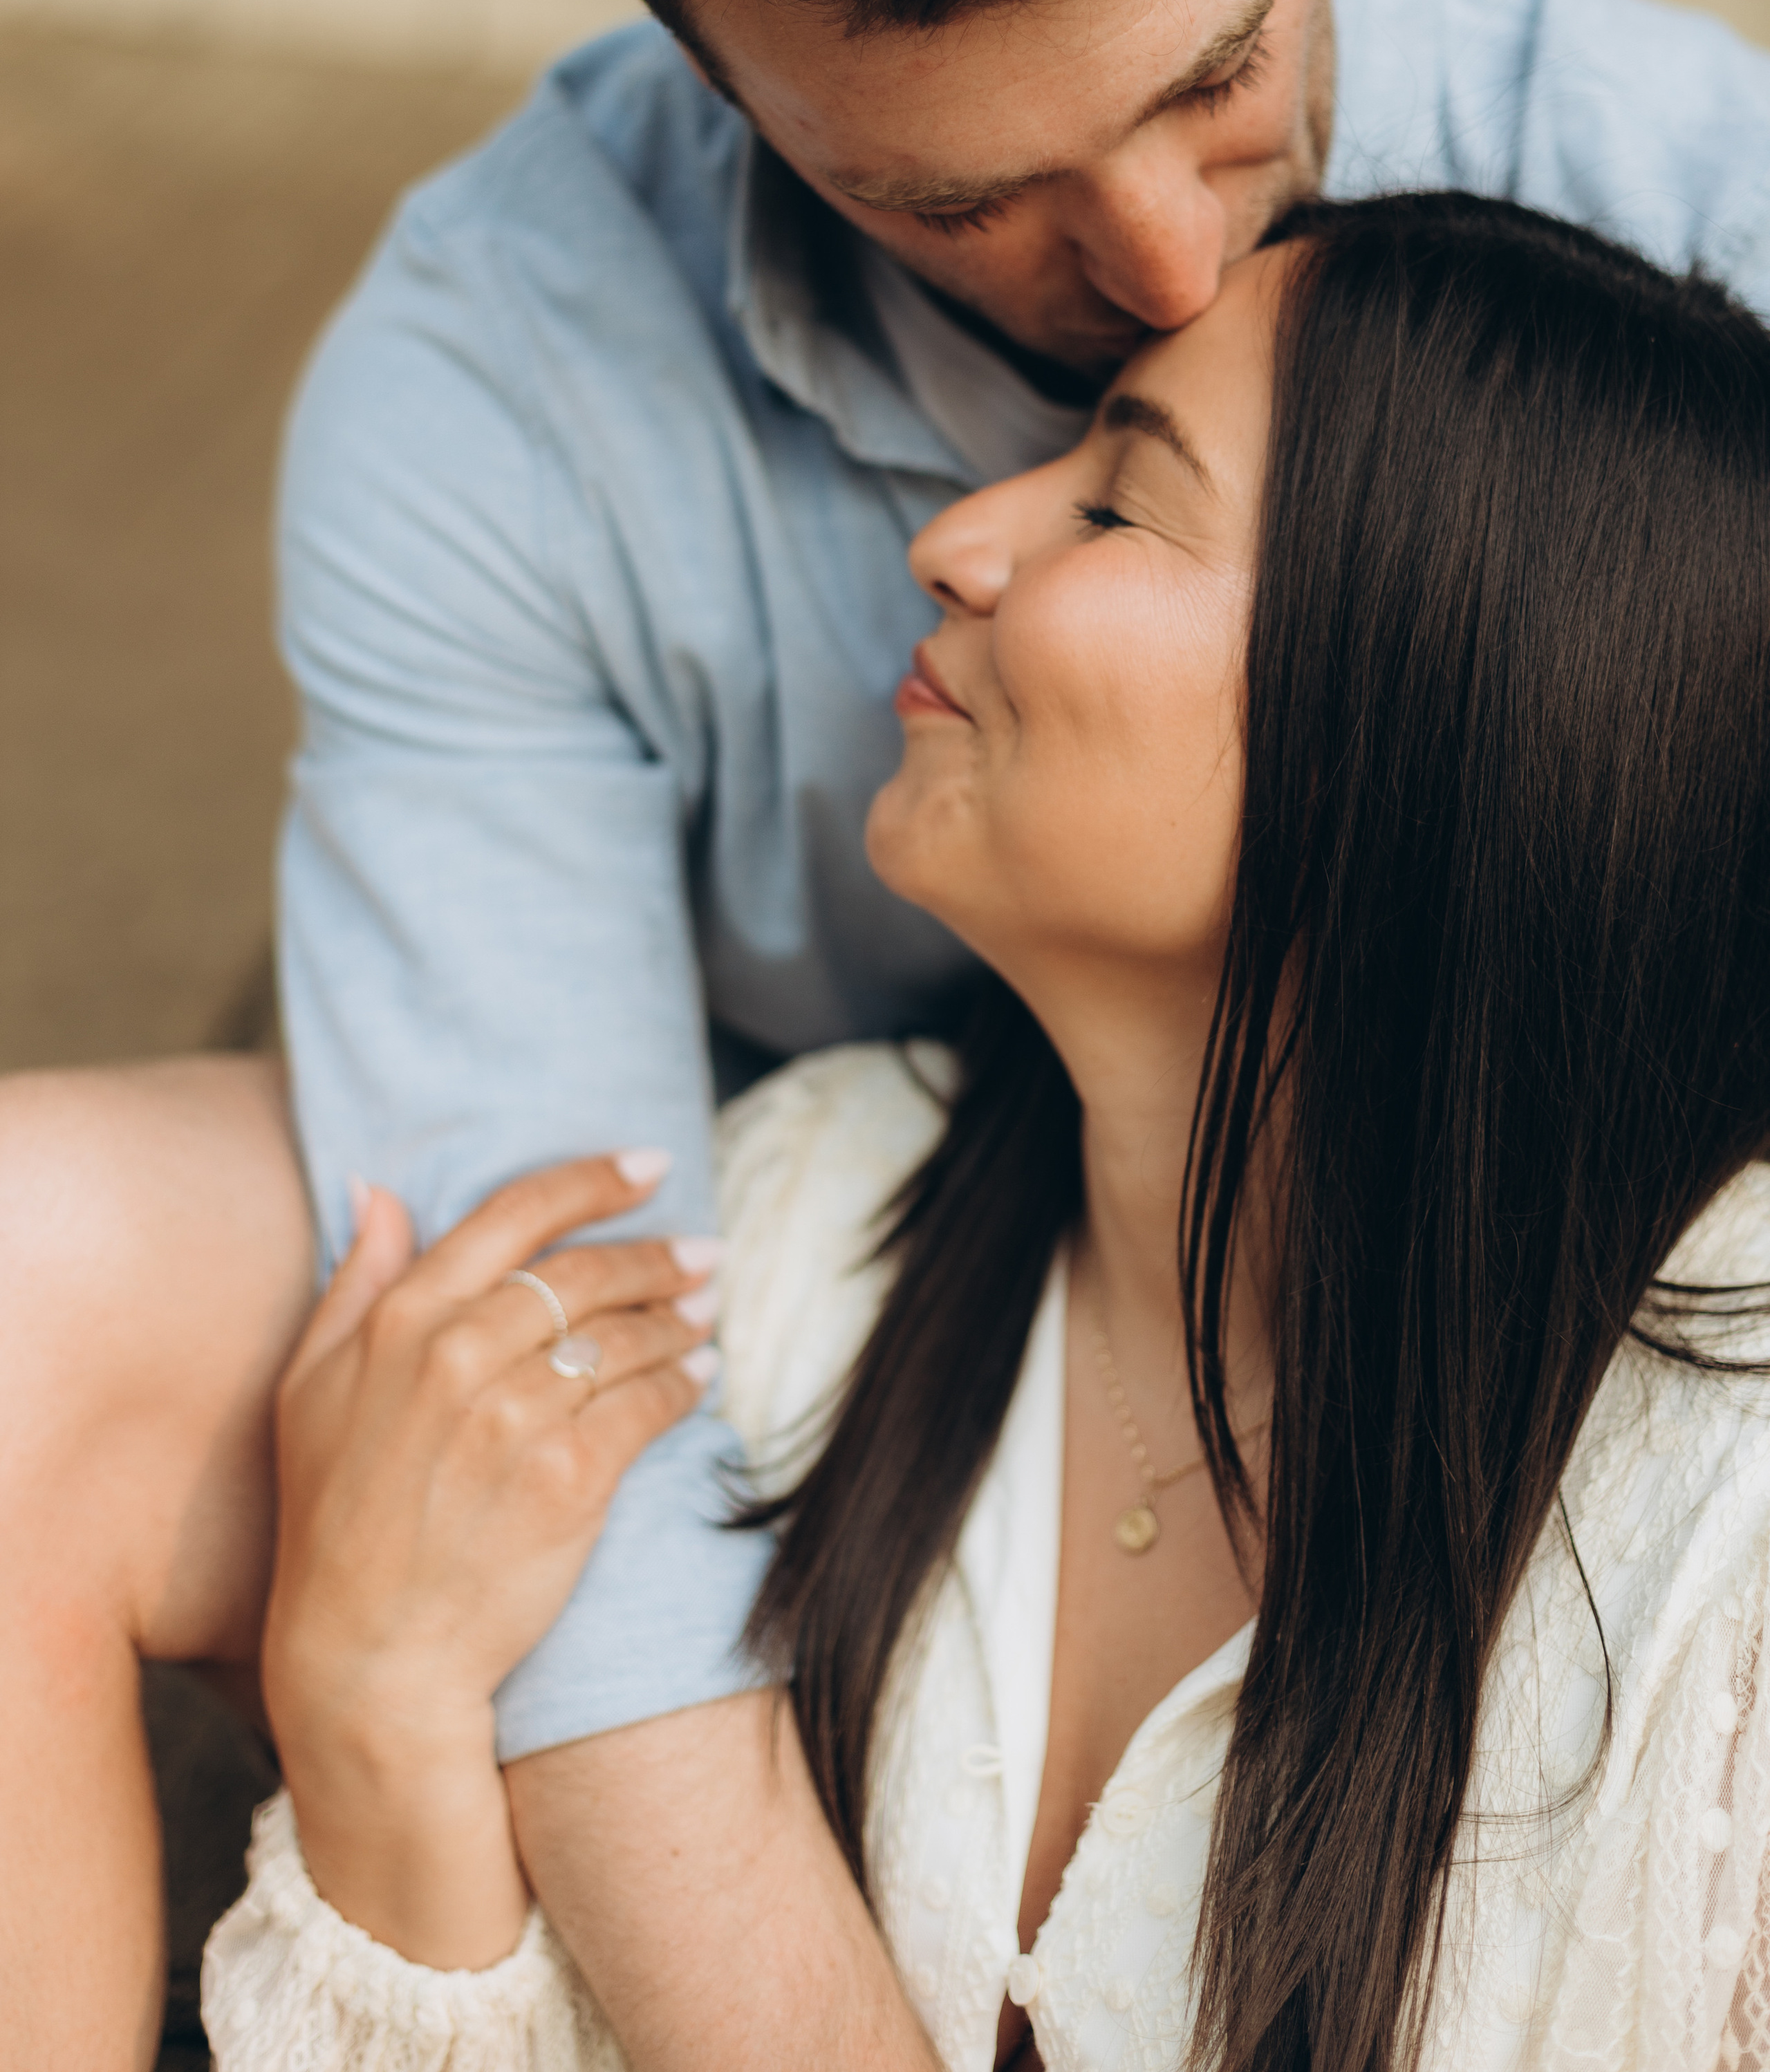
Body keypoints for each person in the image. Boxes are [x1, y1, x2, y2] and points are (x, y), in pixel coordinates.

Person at [3, 0, 1770, 2059]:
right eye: (966, 202)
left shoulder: (1699, 209)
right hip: (820, 1252)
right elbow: (563, 1319)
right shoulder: (487, 394)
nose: (1171, 253)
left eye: (1218, 66)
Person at [203, 193, 1770, 2070]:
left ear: (1431, 723)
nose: (955, 542)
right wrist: (371, 1715)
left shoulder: (1726, 1562)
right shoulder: (793, 1229)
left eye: (1119, 503)